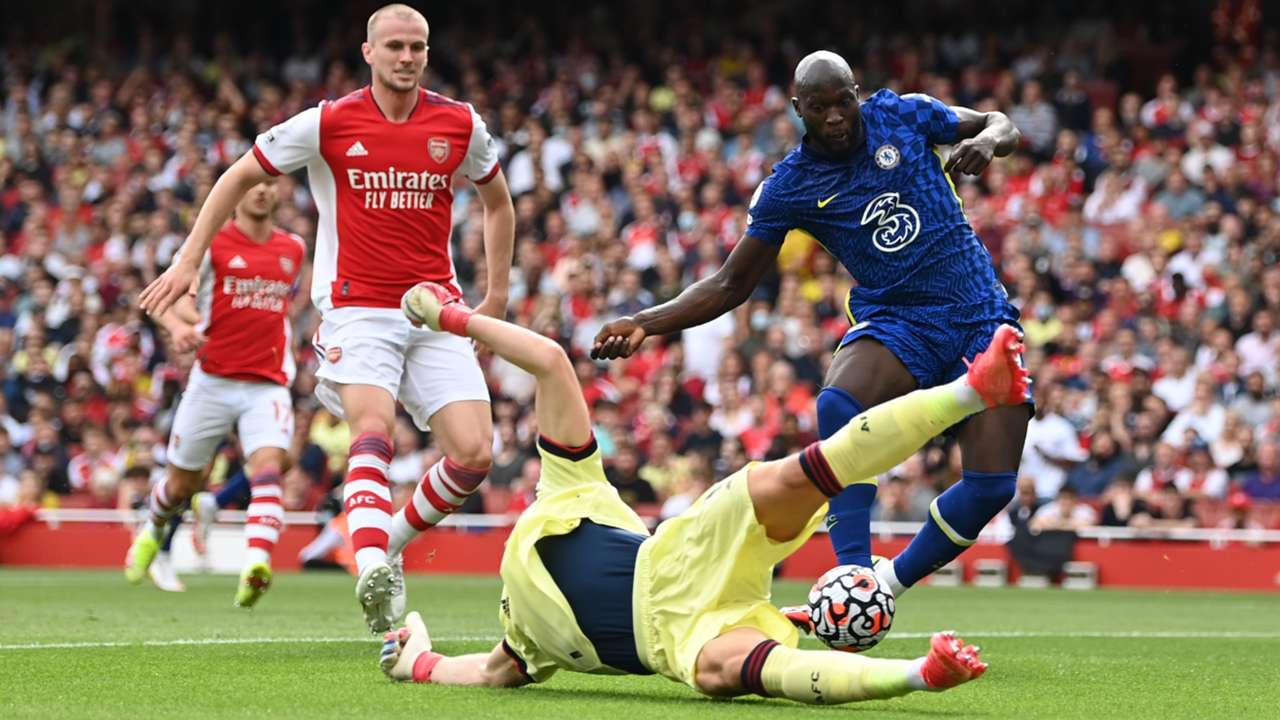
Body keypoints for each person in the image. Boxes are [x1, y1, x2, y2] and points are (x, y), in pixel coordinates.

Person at [381, 281, 1029, 704]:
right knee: (739, 672)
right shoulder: (522, 647)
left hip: (679, 554)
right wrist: (418, 662)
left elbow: (549, 360)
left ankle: (971, 390)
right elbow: (477, 671)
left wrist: (451, 317)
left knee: (791, 477)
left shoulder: (568, 486)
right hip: (678, 636)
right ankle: (918, 675)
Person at [592, 50, 1027, 614]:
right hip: (899, 318)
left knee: (993, 486)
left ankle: (885, 587)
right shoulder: (791, 185)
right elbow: (730, 284)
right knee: (839, 403)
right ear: (799, 109)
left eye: (843, 102)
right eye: (819, 108)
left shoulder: (904, 114)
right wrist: (645, 322)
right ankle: (851, 570)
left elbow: (999, 122)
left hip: (978, 312)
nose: (836, 117)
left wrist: (988, 142)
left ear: (856, 93)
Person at [138, 4, 515, 633]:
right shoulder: (328, 122)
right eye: (394, 46)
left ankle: (385, 546)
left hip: (435, 308)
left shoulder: (460, 123)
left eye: (417, 47)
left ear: (427, 53)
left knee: (475, 454)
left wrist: (495, 297)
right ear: (368, 52)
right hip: (357, 309)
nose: (407, 57)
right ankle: (368, 565)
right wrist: (188, 259)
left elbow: (497, 203)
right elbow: (238, 174)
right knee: (373, 428)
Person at [123, 178, 304, 609]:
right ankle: (153, 528)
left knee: (269, 466)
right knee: (182, 483)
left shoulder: (293, 248)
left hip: (267, 383)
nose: (261, 190)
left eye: (270, 183)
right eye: (252, 183)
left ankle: (256, 563)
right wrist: (180, 327)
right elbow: (160, 300)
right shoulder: (209, 245)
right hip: (213, 380)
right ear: (234, 194)